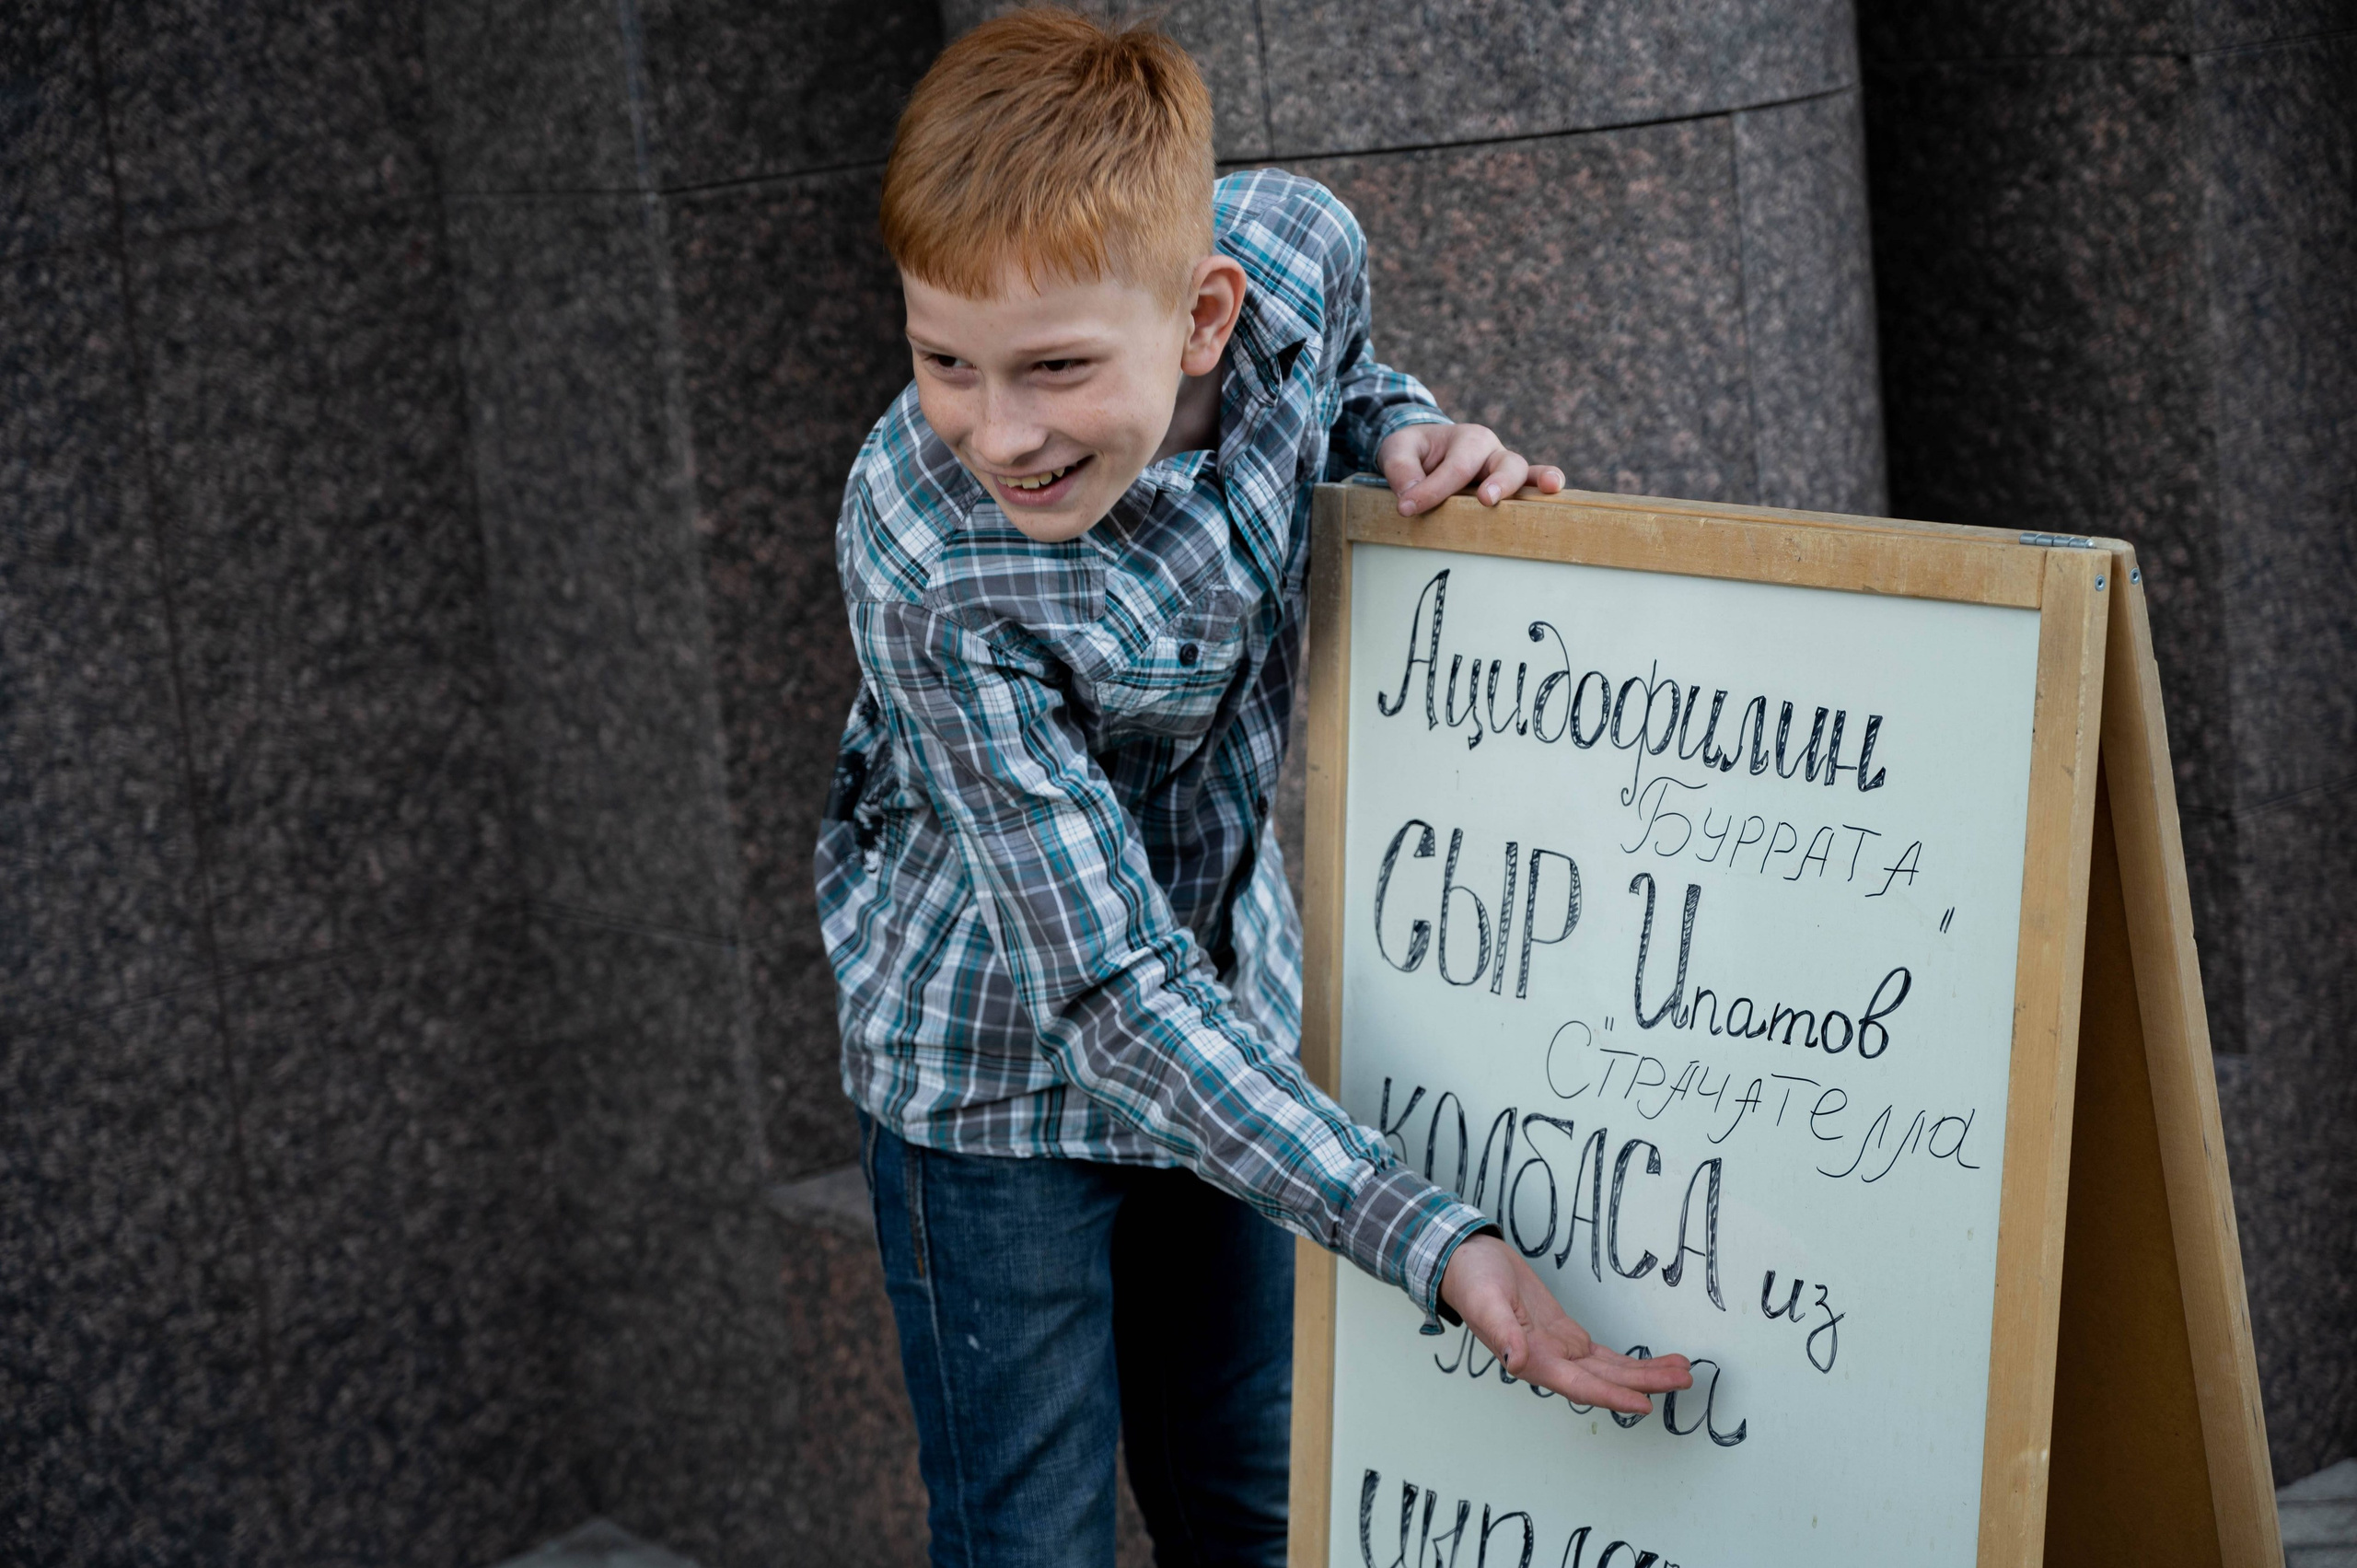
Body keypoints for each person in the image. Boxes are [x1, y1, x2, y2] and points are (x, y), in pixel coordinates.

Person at [817, 10, 1692, 1564]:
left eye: (1056, 369)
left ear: (1207, 314)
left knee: (1253, 1502)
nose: (996, 432)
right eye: (943, 361)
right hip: (995, 1076)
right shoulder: (919, 544)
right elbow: (1104, 995)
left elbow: (1343, 378)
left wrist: (1406, 432)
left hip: (1227, 1009)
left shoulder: (1295, 253)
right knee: (1033, 1540)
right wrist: (1433, 1241)